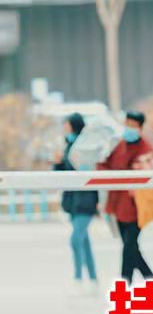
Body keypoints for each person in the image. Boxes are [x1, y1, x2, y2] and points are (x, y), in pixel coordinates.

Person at [98, 110, 153, 283]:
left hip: (137, 206)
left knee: (129, 245)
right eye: (127, 124)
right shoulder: (118, 144)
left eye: (133, 125)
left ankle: (126, 282)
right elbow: (106, 165)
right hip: (118, 203)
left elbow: (146, 173)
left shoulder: (146, 149)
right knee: (129, 245)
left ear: (140, 128)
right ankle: (151, 280)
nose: (128, 128)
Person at [54, 112, 99, 289]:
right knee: (84, 241)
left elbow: (93, 173)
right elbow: (60, 176)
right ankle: (93, 279)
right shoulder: (67, 147)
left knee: (75, 240)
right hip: (72, 202)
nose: (65, 130)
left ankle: (78, 278)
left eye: (67, 126)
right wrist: (58, 162)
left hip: (86, 201)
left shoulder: (86, 148)